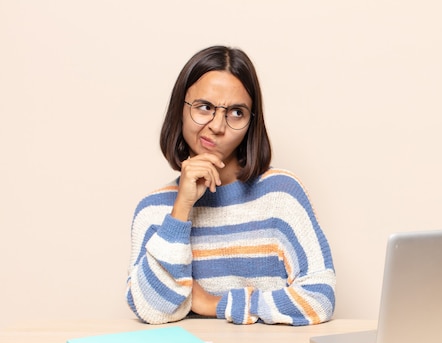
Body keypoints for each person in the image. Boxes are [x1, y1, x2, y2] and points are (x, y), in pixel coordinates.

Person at [126, 46, 336, 325]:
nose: (217, 126)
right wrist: (181, 209)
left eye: (236, 112)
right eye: (204, 108)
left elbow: (320, 298)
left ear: (251, 123)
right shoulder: (153, 210)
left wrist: (215, 304)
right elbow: (152, 310)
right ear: (180, 109)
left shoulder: (282, 195)